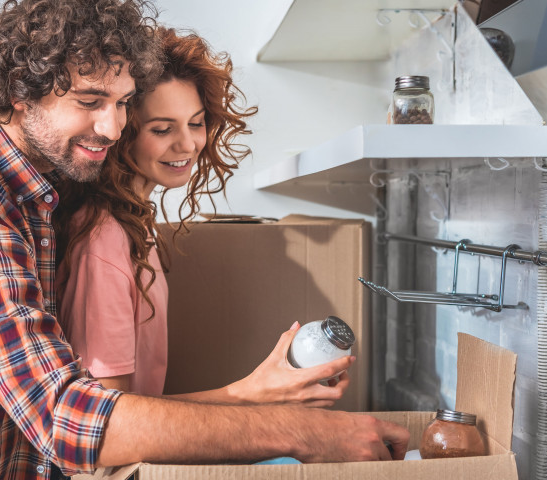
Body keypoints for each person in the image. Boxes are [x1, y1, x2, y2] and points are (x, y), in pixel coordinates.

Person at [0, 1, 409, 479]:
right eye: (89, 100)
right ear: (17, 93)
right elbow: (67, 418)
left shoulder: (33, 183)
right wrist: (301, 434)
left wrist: (250, 397)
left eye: (124, 102)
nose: (111, 127)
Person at [54, 27, 350, 408]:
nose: (188, 144)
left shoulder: (134, 223)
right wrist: (253, 395)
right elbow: (110, 417)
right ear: (121, 132)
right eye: (162, 129)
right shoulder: (104, 240)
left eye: (195, 123)